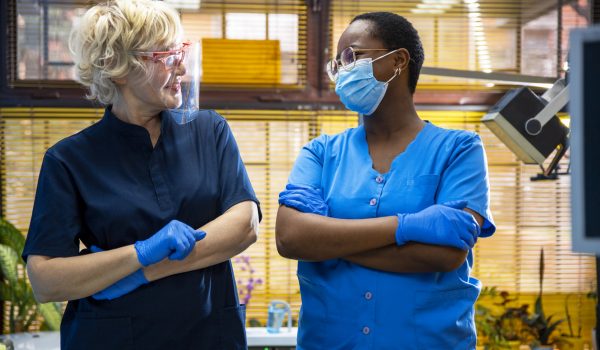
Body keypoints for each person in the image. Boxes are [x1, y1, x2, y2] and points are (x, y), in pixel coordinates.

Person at [21, 1, 260, 349]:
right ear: (117, 68)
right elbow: (45, 280)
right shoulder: (68, 160)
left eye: (182, 52)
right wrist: (139, 251)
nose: (181, 69)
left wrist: (143, 268)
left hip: (208, 335)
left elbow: (244, 225)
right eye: (166, 57)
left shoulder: (210, 130)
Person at [276, 12, 496, 350]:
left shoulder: (459, 149)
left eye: (352, 55)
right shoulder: (320, 153)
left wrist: (330, 244)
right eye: (338, 63)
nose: (343, 71)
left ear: (398, 60)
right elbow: (291, 238)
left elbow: (446, 255)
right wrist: (409, 226)